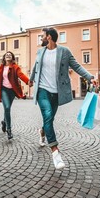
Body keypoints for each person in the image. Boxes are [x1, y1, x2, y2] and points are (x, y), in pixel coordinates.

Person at [29, 27, 94, 170]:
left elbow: (76, 66)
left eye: (43, 36)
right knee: (47, 115)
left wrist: (90, 77)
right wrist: (31, 79)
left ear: (49, 37)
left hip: (57, 92)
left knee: (49, 119)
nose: (41, 38)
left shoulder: (64, 51)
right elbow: (35, 67)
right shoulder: (40, 51)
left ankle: (42, 132)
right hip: (42, 90)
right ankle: (55, 152)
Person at [0, 51, 29, 140]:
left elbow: (21, 75)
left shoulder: (15, 67)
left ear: (12, 58)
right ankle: (9, 130)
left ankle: (4, 122)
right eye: (6, 55)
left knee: (7, 108)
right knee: (7, 108)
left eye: (10, 55)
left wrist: (27, 81)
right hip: (3, 90)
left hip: (12, 91)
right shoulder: (0, 68)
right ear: (4, 58)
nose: (8, 55)